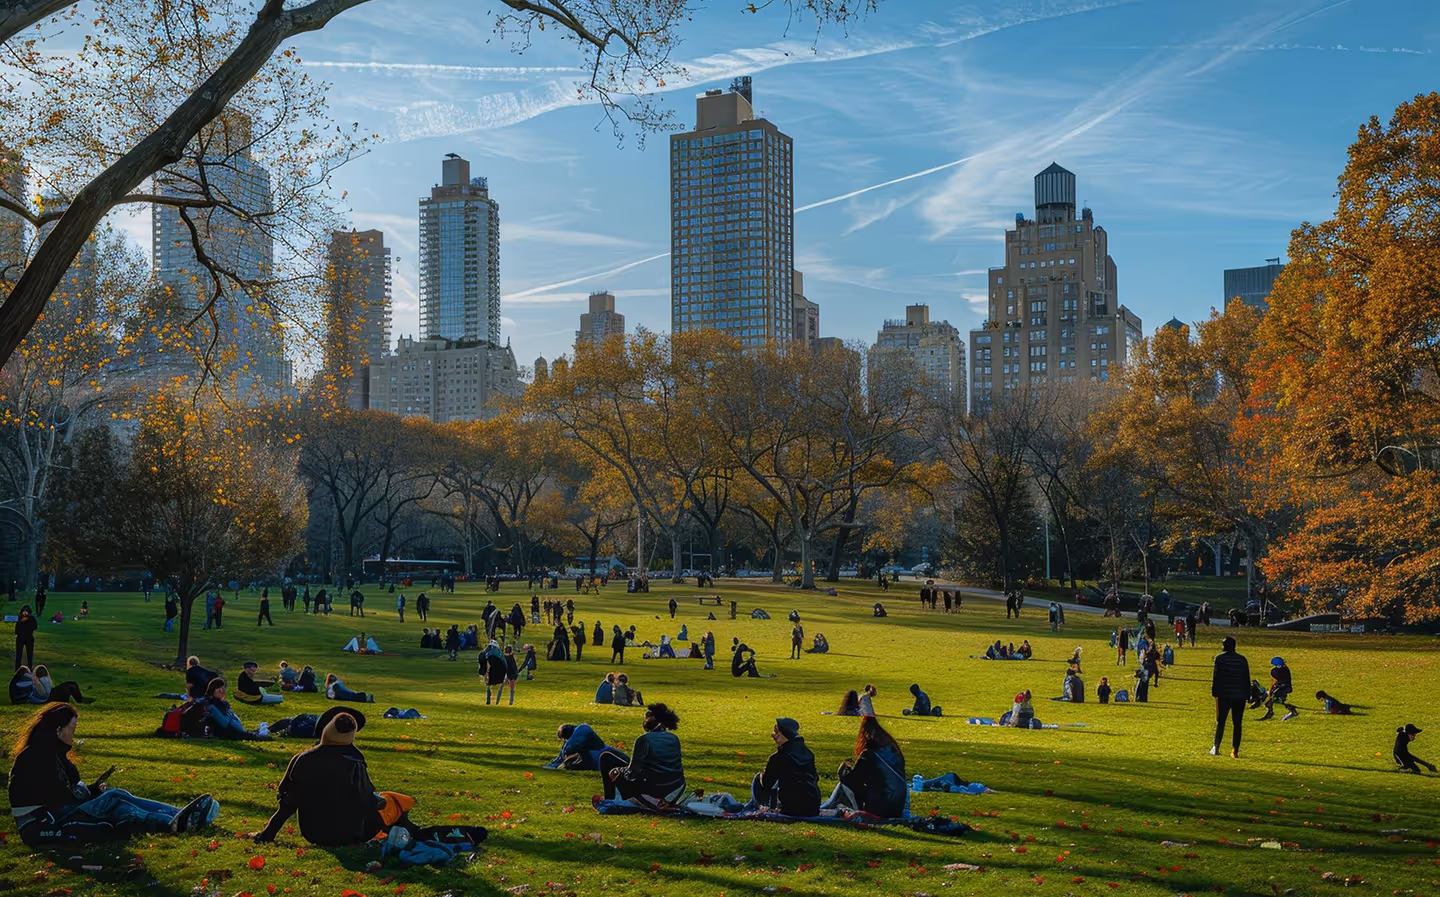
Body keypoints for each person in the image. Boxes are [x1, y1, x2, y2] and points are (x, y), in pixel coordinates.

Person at [252, 708, 485, 848]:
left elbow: (288, 804)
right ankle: (413, 832)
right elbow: (369, 801)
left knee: (388, 803)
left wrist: (267, 835)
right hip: (349, 833)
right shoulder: (353, 762)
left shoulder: (301, 760)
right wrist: (381, 801)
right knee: (394, 801)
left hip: (314, 833)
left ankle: (408, 831)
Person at [9, 703, 216, 846]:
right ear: (58, 730)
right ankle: (171, 823)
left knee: (118, 795)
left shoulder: (52, 753)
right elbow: (59, 795)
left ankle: (178, 814)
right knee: (114, 798)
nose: (74, 734)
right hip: (43, 821)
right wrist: (91, 794)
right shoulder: (39, 756)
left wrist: (91, 790)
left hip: (57, 811)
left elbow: (65, 791)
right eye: (73, 728)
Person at [597, 703, 686, 808]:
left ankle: (610, 800)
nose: (646, 719)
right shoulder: (674, 738)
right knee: (614, 757)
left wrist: (619, 771)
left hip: (653, 789)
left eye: (648, 716)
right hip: (674, 787)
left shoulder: (644, 740)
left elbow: (632, 773)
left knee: (606, 758)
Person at [821, 716, 907, 818]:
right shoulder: (893, 752)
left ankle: (824, 807)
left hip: (879, 808)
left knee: (842, 785)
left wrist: (843, 769)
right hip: (897, 807)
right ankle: (827, 805)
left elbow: (852, 781)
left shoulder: (868, 755)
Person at [745, 717, 821, 816]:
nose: (774, 736)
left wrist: (761, 776)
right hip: (812, 807)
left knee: (758, 779)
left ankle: (763, 807)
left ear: (785, 734)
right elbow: (815, 778)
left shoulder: (778, 758)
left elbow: (767, 784)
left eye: (777, 733)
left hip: (791, 809)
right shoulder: (809, 754)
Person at [1210, 635, 1250, 758]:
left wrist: (1215, 693)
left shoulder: (1220, 659)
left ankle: (1216, 746)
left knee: (1221, 721)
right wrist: (1247, 694)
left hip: (1224, 694)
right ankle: (1235, 750)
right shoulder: (1242, 659)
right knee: (1237, 723)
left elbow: (1216, 677)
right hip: (1239, 695)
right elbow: (1246, 677)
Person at [200, 680, 268, 739]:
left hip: (234, 730)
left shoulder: (221, 703)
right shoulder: (212, 705)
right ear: (212, 691)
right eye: (218, 689)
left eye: (223, 688)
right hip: (230, 732)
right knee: (259, 735)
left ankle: (260, 730)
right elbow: (224, 723)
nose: (222, 691)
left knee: (258, 731)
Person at [545, 723, 624, 771]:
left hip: (600, 757)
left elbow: (565, 752)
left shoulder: (581, 732)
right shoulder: (582, 730)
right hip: (604, 754)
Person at [1260, 656, 1298, 721]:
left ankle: (1292, 712)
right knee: (1273, 702)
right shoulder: (1286, 669)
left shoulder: (1275, 672)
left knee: (1273, 702)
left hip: (1281, 689)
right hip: (1285, 688)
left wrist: (1271, 690)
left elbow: (1275, 681)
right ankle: (1290, 711)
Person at [14, 605, 37, 670]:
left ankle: (30, 667)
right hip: (20, 637)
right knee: (19, 654)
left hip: (29, 637)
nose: (25, 613)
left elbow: (35, 626)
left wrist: (28, 621)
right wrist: (21, 622)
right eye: (24, 611)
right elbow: (17, 629)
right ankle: (17, 668)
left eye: (26, 612)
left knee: (29, 653)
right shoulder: (20, 618)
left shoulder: (32, 618)